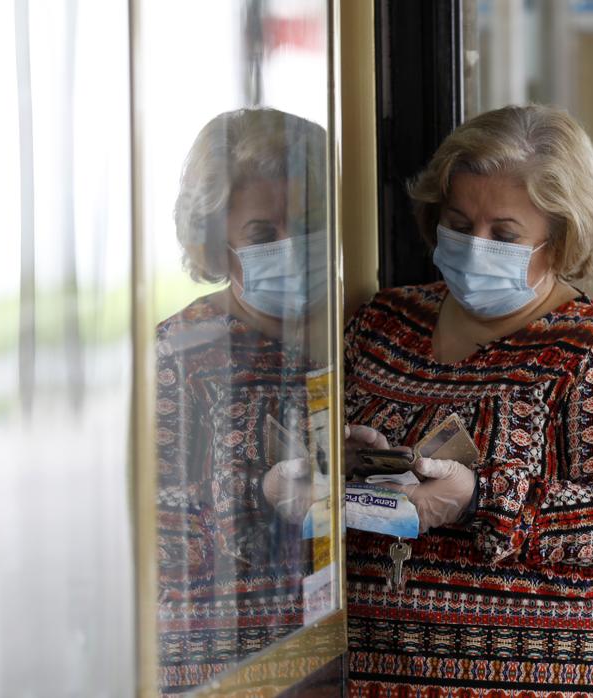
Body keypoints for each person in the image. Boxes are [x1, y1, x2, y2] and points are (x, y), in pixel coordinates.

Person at [341, 104, 593, 697]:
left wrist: (477, 497)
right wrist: (338, 459)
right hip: (379, 674)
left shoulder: (591, 348)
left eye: (504, 235)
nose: (475, 246)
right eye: (460, 224)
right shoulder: (382, 323)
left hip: (550, 677)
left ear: (560, 237)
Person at [154, 107, 332, 694]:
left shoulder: (359, 334)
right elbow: (168, 533)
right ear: (215, 239)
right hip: (220, 674)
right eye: (262, 234)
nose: (289, 245)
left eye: (307, 224)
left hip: (340, 662)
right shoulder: (175, 354)